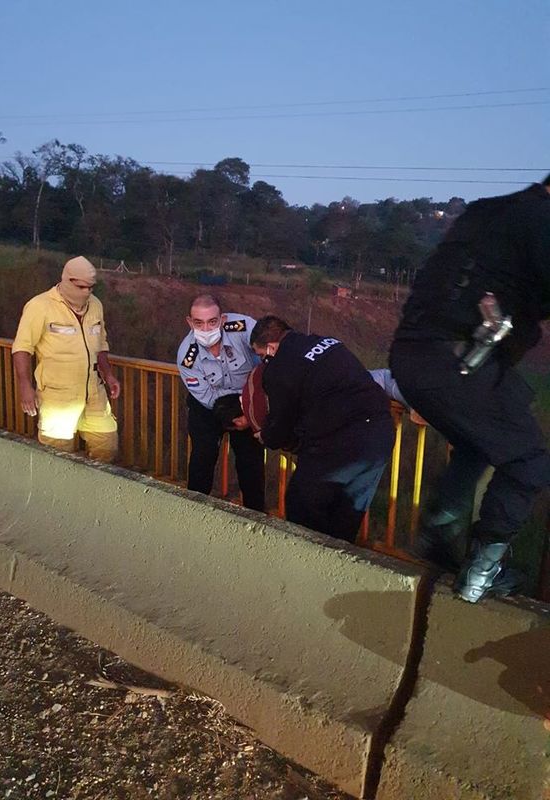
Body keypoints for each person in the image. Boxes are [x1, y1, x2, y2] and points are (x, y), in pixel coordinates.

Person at [390, 175, 550, 603]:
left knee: (478, 445)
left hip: (414, 356)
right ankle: (480, 574)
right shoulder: (540, 218)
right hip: (458, 360)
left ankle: (438, 537)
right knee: (529, 461)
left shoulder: (487, 212)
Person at [250, 316, 395, 542]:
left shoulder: (280, 366)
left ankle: (310, 566)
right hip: (379, 434)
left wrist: (266, 436)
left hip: (340, 441)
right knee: (347, 514)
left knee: (301, 505)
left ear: (270, 347)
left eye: (261, 356)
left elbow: (280, 424)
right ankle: (337, 565)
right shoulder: (329, 343)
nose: (263, 361)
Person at [12, 256, 120, 462]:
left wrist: (108, 374)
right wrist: (25, 386)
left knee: (107, 445)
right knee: (57, 455)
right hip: (57, 396)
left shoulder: (95, 305)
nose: (87, 292)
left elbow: (101, 344)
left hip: (93, 391)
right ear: (68, 280)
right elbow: (22, 348)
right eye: (81, 287)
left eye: (91, 287)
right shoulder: (39, 306)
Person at [177, 294, 265, 511]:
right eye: (199, 322)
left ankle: (256, 514)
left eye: (212, 321)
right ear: (190, 322)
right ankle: (194, 509)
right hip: (208, 406)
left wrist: (250, 412)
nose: (206, 328)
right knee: (203, 456)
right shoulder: (186, 356)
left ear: (223, 319)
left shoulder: (243, 328)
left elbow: (268, 356)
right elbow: (206, 396)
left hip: (247, 400)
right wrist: (234, 415)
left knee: (251, 461)